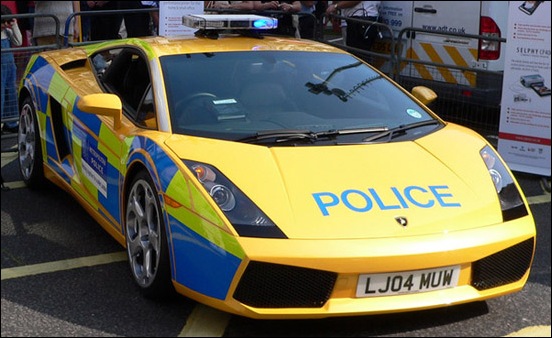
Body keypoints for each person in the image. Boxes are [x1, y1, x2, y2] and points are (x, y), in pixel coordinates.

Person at [1, 4, 22, 133]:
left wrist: (14, 25)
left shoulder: (7, 32)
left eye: (5, 22)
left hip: (9, 68)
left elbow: (18, 42)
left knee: (11, 94)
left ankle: (11, 122)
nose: (4, 25)